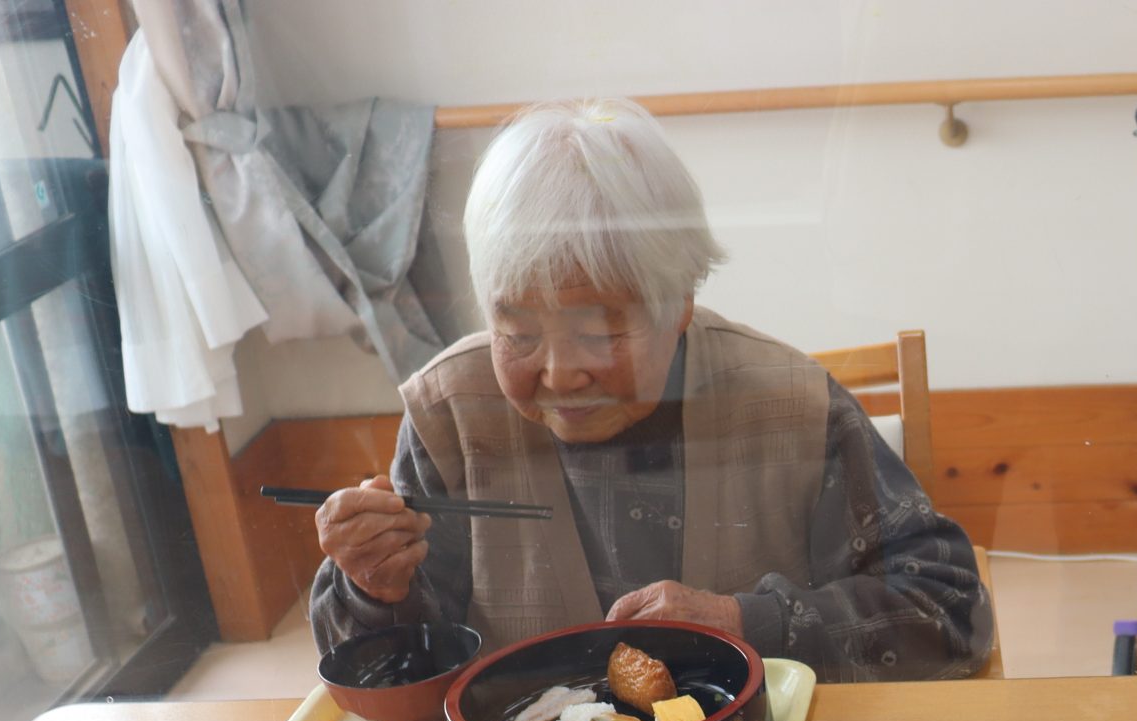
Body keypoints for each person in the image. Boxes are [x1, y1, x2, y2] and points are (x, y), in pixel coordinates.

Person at [309, 98, 990, 681]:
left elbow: (950, 609)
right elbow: (395, 678)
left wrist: (746, 622)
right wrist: (374, 590)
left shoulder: (790, 406)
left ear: (679, 303)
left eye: (598, 333)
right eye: (518, 333)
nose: (559, 373)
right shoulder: (451, 415)